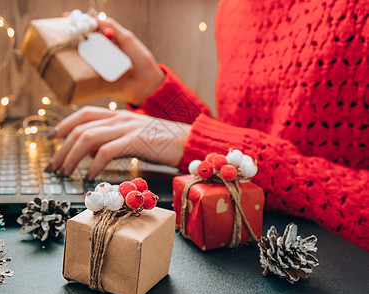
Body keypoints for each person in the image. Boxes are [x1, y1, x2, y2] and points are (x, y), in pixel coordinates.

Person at [47, 0, 368, 251]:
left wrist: (197, 142)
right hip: (241, 246)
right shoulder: (232, 9)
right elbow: (244, 151)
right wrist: (156, 93)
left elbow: (246, 157)